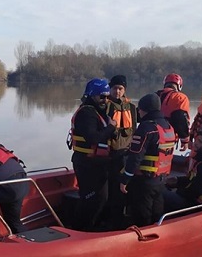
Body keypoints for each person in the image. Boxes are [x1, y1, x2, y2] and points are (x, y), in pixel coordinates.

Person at [67, 78, 116, 231]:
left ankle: (90, 227)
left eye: (107, 96)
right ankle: (81, 229)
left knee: (100, 198)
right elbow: (93, 138)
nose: (105, 100)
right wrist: (110, 128)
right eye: (102, 96)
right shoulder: (86, 113)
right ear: (91, 95)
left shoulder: (97, 112)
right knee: (92, 199)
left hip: (96, 163)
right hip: (87, 163)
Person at [120, 93, 176, 226]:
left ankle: (142, 241)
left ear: (144, 110)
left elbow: (135, 156)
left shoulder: (147, 128)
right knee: (157, 212)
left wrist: (125, 179)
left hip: (144, 181)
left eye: (139, 109)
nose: (138, 112)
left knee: (141, 215)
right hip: (160, 179)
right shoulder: (168, 126)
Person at [100, 74, 137, 229]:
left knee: (121, 189)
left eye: (120, 88)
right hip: (109, 153)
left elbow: (134, 129)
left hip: (125, 154)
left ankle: (118, 219)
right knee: (109, 188)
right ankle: (107, 218)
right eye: (114, 88)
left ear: (125, 90)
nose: (117, 92)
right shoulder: (105, 106)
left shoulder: (131, 107)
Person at [156, 73, 190, 152]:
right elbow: (180, 119)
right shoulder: (180, 98)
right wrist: (184, 139)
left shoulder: (154, 96)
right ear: (179, 86)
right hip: (167, 138)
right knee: (163, 161)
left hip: (150, 135)